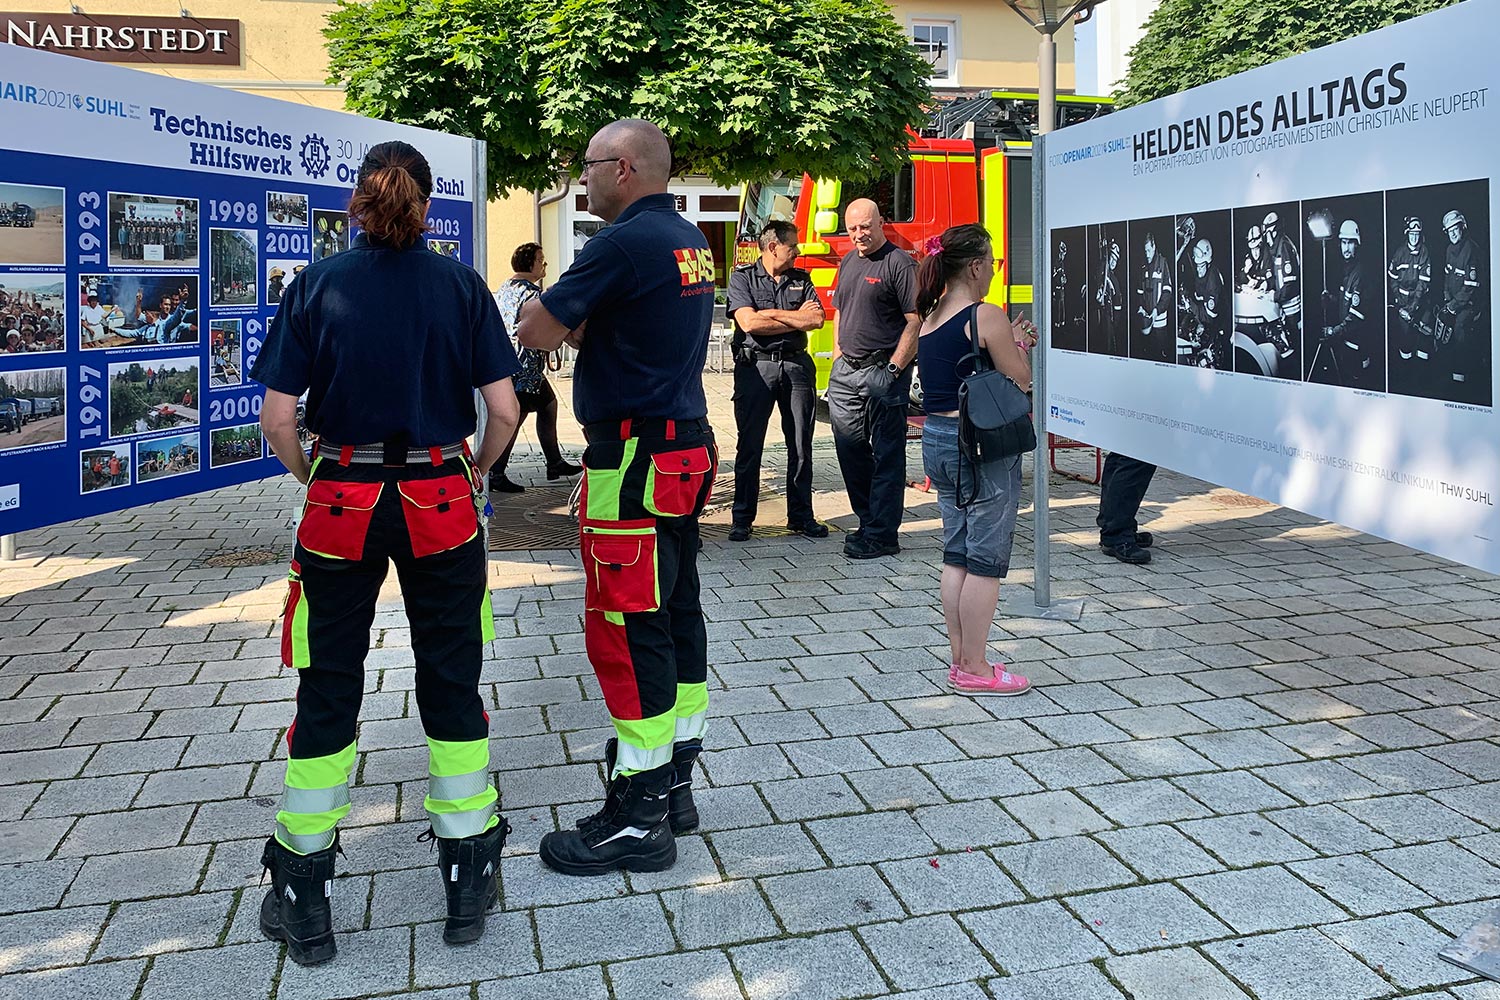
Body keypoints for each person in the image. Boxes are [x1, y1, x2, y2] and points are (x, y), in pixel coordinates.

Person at [250, 140, 521, 965]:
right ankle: (467, 867)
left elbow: (276, 421)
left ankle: (303, 886)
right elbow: (504, 410)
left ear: (355, 205)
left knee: (327, 677)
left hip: (343, 501)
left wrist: (317, 473)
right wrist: (473, 470)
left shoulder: (317, 285)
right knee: (450, 670)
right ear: (428, 207)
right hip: (440, 499)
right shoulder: (461, 286)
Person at [517, 118, 716, 876]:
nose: (581, 179)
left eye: (589, 165)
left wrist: (575, 316)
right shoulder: (687, 238)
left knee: (628, 625)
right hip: (679, 444)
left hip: (631, 456)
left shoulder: (619, 244)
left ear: (624, 167)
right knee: (677, 611)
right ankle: (675, 782)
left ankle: (637, 814)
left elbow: (537, 328)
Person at [914, 225, 1033, 697]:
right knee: (986, 559)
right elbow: (1019, 380)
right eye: (993, 262)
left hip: (938, 441)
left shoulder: (930, 314)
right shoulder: (985, 315)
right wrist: (1020, 342)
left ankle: (960, 659)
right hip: (980, 447)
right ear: (977, 266)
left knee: (956, 552)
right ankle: (978, 668)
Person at [827, 199, 918, 559]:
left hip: (883, 371)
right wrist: (837, 355)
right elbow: (839, 311)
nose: (859, 234)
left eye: (865, 226)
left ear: (881, 223)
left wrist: (894, 368)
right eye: (852, 228)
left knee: (887, 455)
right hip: (846, 372)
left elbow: (916, 319)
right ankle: (868, 522)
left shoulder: (899, 263)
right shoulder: (849, 260)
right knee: (850, 451)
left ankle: (883, 535)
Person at [725, 220, 827, 540]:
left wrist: (771, 313)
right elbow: (749, 323)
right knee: (750, 445)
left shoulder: (801, 279)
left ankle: (800, 516)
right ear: (772, 247)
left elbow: (817, 319)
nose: (797, 251)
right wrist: (792, 318)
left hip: (796, 368)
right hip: (756, 368)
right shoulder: (742, 278)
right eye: (792, 246)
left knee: (800, 446)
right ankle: (742, 518)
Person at [488, 242, 582, 493]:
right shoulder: (532, 294)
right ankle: (497, 472)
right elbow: (544, 325)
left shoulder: (505, 288)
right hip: (525, 365)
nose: (545, 265)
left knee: (545, 404)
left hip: (508, 362)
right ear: (529, 263)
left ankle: (553, 462)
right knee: (517, 417)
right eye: (541, 260)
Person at [1315, 220, 1377, 388]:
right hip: (1346, 345)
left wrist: (1333, 331)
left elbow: (1355, 318)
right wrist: (1331, 299)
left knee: (1357, 385)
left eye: (1350, 243)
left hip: (1358, 346)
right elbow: (1346, 302)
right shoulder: (1347, 270)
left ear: (1357, 245)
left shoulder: (1360, 274)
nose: (1346, 248)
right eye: (1343, 242)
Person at [1438, 209, 1486, 390]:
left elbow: (1470, 288)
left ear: (1462, 228)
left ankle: (1461, 376)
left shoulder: (1472, 250)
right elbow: (1447, 278)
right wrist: (1447, 300)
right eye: (1449, 230)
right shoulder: (1449, 249)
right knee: (1442, 324)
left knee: (1459, 327)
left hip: (1470, 304)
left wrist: (1452, 307)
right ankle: (1448, 368)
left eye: (1455, 229)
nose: (1452, 233)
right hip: (1454, 302)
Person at [1389, 216, 1434, 370]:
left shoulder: (1424, 252)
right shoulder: (1399, 253)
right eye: (1411, 233)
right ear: (1407, 233)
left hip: (1420, 302)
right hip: (1403, 302)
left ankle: (1422, 373)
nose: (1414, 237)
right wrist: (1398, 299)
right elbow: (1392, 278)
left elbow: (1422, 284)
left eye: (1417, 234)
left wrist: (1414, 306)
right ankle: (1406, 370)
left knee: (1424, 336)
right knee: (1405, 338)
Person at [1184, 238, 1227, 368]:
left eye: (1201, 265)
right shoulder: (1202, 273)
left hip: (1218, 330)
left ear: (1208, 263)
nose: (1198, 269)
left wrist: (1189, 305)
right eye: (1197, 265)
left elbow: (1209, 318)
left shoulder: (1213, 282)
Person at [1133, 230, 1173, 362]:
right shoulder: (1143, 266)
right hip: (1145, 321)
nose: (1147, 254)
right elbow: (1139, 292)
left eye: (1149, 250)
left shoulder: (1163, 263)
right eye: (1145, 251)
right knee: (1148, 354)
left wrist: (1157, 310)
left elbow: (1167, 292)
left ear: (1154, 246)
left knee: (1160, 356)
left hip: (1160, 321)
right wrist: (1140, 307)